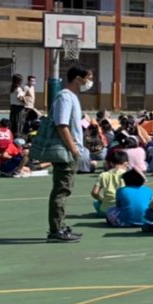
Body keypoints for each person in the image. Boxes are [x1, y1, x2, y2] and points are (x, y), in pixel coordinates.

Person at [46, 64, 92, 242]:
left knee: (64, 189)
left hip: (70, 150)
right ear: (78, 79)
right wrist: (73, 148)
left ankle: (60, 226)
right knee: (61, 190)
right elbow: (61, 124)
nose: (89, 82)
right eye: (88, 78)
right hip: (66, 151)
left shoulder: (72, 97)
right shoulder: (65, 97)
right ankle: (56, 230)